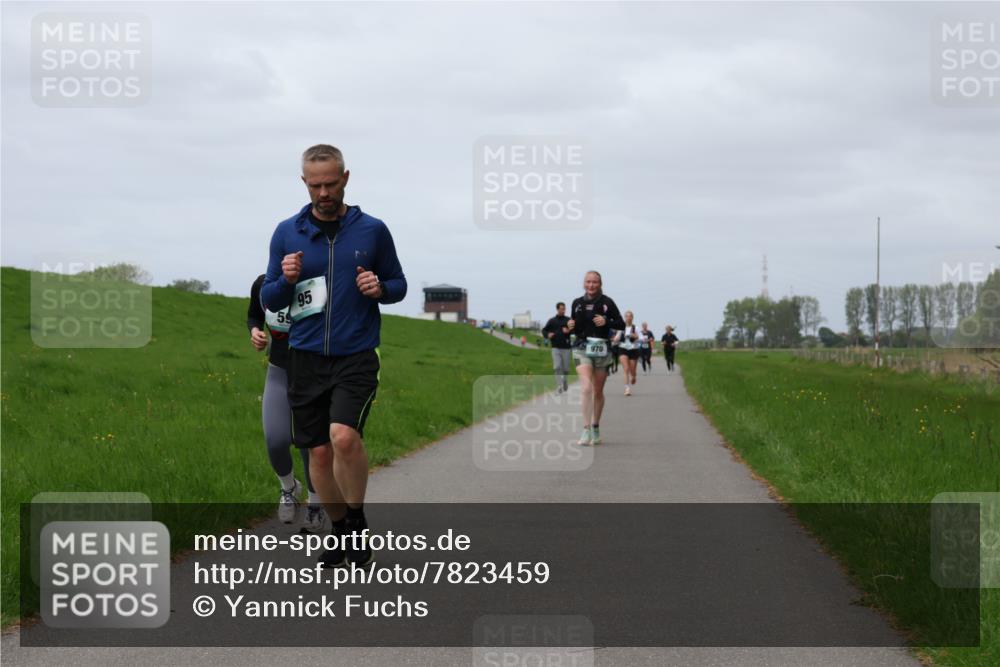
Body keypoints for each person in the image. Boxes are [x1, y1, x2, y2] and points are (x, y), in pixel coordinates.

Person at [261, 144, 407, 569]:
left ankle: (356, 520)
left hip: (356, 353)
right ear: (304, 183)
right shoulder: (287, 232)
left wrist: (380, 289)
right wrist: (285, 281)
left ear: (345, 178)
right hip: (304, 357)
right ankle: (343, 532)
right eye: (314, 185)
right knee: (319, 455)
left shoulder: (372, 230)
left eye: (330, 183)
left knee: (344, 436)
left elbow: (398, 284)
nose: (323, 192)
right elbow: (269, 296)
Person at [248, 275, 325, 531]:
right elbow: (254, 315)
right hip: (278, 370)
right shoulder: (263, 285)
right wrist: (255, 332)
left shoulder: (317, 284)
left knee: (309, 443)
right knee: (275, 439)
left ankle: (315, 505)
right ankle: (289, 487)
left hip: (313, 373)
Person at [567, 271, 624, 445]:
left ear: (600, 284)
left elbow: (621, 324)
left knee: (598, 391)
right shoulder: (577, 303)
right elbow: (575, 328)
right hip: (581, 348)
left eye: (595, 282)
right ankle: (585, 430)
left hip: (602, 349)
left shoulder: (607, 302)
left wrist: (607, 321)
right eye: (588, 282)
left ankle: (595, 427)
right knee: (586, 388)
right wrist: (570, 326)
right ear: (584, 284)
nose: (591, 285)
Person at [542, 302, 572, 393]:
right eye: (562, 309)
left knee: (566, 369)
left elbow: (575, 330)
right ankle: (559, 385)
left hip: (566, 347)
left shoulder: (568, 320)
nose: (563, 310)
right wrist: (548, 335)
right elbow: (544, 330)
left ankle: (565, 381)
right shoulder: (552, 321)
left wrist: (568, 331)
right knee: (557, 367)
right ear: (557, 309)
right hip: (555, 348)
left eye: (564, 309)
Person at [615, 311, 641, 395]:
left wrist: (635, 336)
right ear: (624, 318)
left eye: (630, 316)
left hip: (633, 349)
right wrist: (616, 339)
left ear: (632, 318)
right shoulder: (621, 327)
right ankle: (627, 389)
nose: (628, 318)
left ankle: (633, 376)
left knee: (632, 370)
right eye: (626, 316)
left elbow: (641, 338)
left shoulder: (635, 328)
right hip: (623, 348)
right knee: (626, 369)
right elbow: (617, 337)